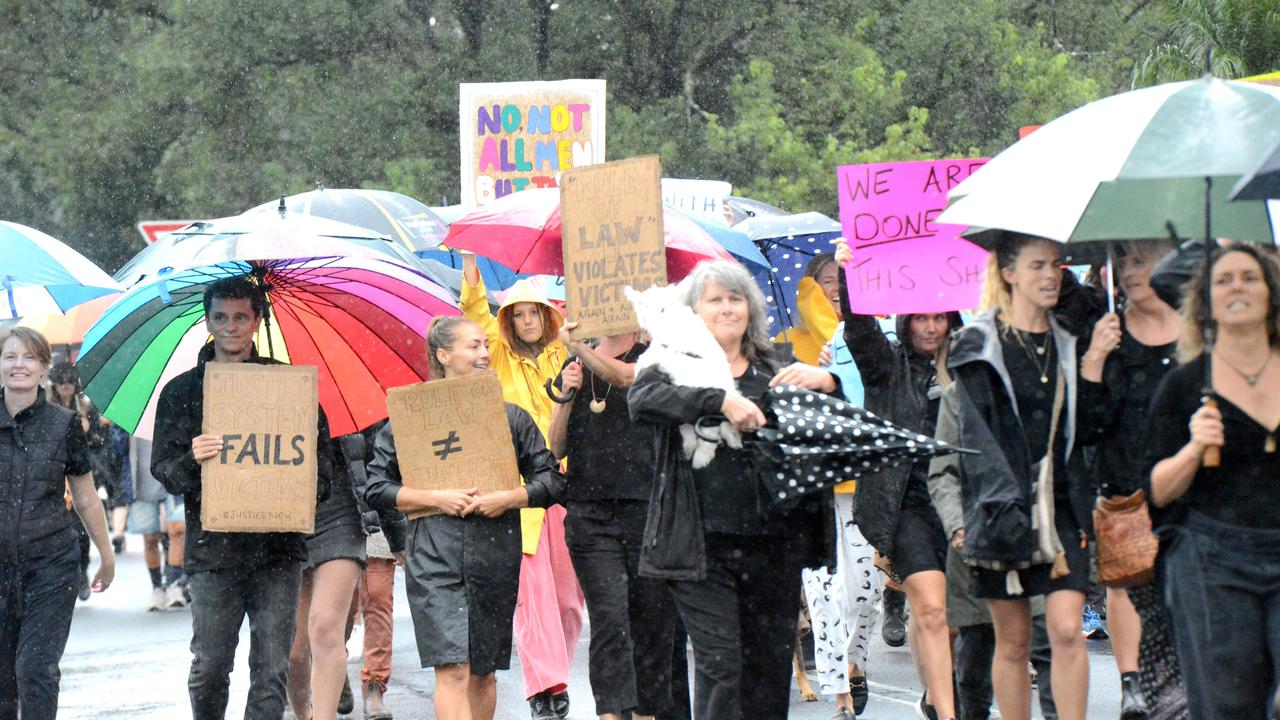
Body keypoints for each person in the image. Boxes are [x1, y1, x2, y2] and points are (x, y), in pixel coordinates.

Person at [628, 260, 836, 718]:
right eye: (715, 300)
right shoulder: (671, 364)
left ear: (751, 308)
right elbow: (642, 400)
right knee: (721, 665)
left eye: (735, 298)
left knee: (768, 673)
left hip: (776, 545)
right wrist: (718, 399)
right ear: (693, 312)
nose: (727, 308)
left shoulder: (777, 365)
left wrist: (831, 382)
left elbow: (834, 427)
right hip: (701, 549)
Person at [364, 315, 567, 720]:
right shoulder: (412, 415)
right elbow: (376, 487)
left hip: (494, 552)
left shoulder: (510, 416)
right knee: (453, 670)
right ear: (443, 355)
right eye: (473, 346)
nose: (483, 354)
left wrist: (511, 497)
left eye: (484, 346)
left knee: (483, 673)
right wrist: (433, 498)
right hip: (433, 554)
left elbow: (552, 481)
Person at [152, 276, 335, 720]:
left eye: (240, 317)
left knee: (271, 667)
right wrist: (194, 458)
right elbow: (165, 472)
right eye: (220, 317)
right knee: (211, 666)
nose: (230, 326)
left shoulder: (291, 389)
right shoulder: (181, 392)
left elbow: (323, 478)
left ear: (257, 321)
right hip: (212, 552)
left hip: (278, 550)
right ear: (208, 321)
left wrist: (299, 460)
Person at [947, 233, 1110, 720]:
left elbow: (1093, 425)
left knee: (1065, 629)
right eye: (1036, 265)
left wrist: (1095, 361)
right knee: (1014, 643)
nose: (1050, 275)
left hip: (1063, 506)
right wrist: (1006, 506)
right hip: (1000, 510)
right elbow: (976, 440)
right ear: (1008, 273)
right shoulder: (974, 343)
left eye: (1056, 265)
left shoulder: (1070, 338)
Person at [1147, 243, 1280, 719]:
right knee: (1229, 704)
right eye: (1223, 280)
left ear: (1271, 293)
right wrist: (1193, 450)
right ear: (1206, 303)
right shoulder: (1185, 387)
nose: (1238, 286)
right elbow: (1156, 491)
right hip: (1212, 563)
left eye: (1250, 276)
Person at [832, 238, 963, 720]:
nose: (930, 327)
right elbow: (860, 329)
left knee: (950, 619)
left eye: (939, 317)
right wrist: (850, 275)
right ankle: (947, 715)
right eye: (921, 318)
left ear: (951, 320)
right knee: (930, 607)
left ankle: (933, 693)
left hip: (961, 506)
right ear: (906, 321)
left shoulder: (971, 367)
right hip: (904, 506)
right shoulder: (885, 367)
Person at [460, 253, 583, 720]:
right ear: (508, 321)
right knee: (533, 598)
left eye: (535, 312)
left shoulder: (564, 352)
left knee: (569, 599)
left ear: (548, 315)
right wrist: (471, 267)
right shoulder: (498, 355)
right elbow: (474, 313)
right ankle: (543, 687)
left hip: (567, 490)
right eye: (519, 314)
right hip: (522, 492)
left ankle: (558, 676)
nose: (528, 321)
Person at [547, 322, 677, 720]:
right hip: (590, 513)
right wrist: (566, 395)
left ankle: (646, 712)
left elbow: (621, 377)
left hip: (648, 510)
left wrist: (582, 352)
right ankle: (610, 713)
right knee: (609, 618)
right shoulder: (573, 366)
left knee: (652, 618)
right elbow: (556, 445)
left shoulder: (655, 359)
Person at [1088, 241, 1183, 720]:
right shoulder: (1108, 332)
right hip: (1124, 479)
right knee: (1126, 582)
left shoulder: (1200, 332)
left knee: (1181, 587)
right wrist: (1094, 360)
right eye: (1124, 261)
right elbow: (1086, 422)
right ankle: (1131, 685)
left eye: (1141, 260)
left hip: (1189, 483)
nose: (1130, 271)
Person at [1, 326, 115, 720]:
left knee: (35, 670)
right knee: (2, 684)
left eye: (29, 357)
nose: (19, 365)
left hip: (51, 566)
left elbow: (84, 495)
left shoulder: (64, 423)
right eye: (10, 356)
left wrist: (106, 554)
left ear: (44, 367)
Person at [286, 432, 368, 720]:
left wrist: (397, 534)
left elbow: (380, 455)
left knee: (324, 628)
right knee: (295, 652)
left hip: (340, 514)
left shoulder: (346, 391)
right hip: (283, 516)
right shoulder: (261, 392)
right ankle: (304, 715)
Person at [46, 360, 105, 601]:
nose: (66, 387)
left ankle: (82, 572)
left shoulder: (86, 406)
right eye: (61, 382)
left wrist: (88, 430)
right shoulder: (48, 409)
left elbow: (100, 441)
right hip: (57, 476)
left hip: (81, 472)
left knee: (81, 532)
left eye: (71, 381)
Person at [127, 435, 188, 611]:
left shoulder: (176, 409)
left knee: (177, 529)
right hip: (143, 480)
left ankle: (174, 584)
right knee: (150, 538)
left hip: (175, 474)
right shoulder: (135, 412)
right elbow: (118, 447)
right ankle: (156, 587)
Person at [775, 252, 842, 365]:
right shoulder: (787, 340)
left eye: (844, 279)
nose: (839, 287)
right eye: (828, 281)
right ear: (811, 289)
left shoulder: (876, 330)